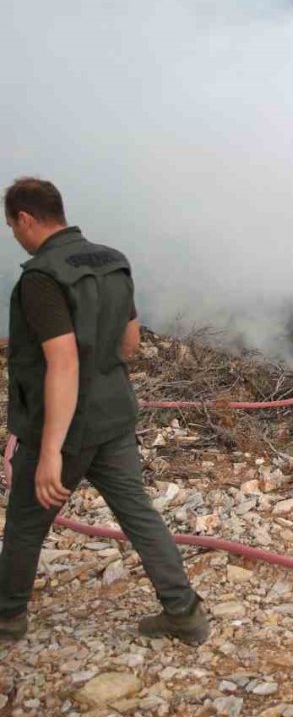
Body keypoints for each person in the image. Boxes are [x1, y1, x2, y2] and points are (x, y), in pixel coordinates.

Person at [0, 177, 208, 645]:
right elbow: (130, 342)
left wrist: (50, 451)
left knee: (26, 524)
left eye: (11, 226)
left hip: (63, 427)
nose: (13, 234)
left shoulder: (42, 277)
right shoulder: (112, 260)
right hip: (114, 416)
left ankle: (8, 617)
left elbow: (63, 362)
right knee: (138, 514)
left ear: (26, 218)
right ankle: (184, 612)